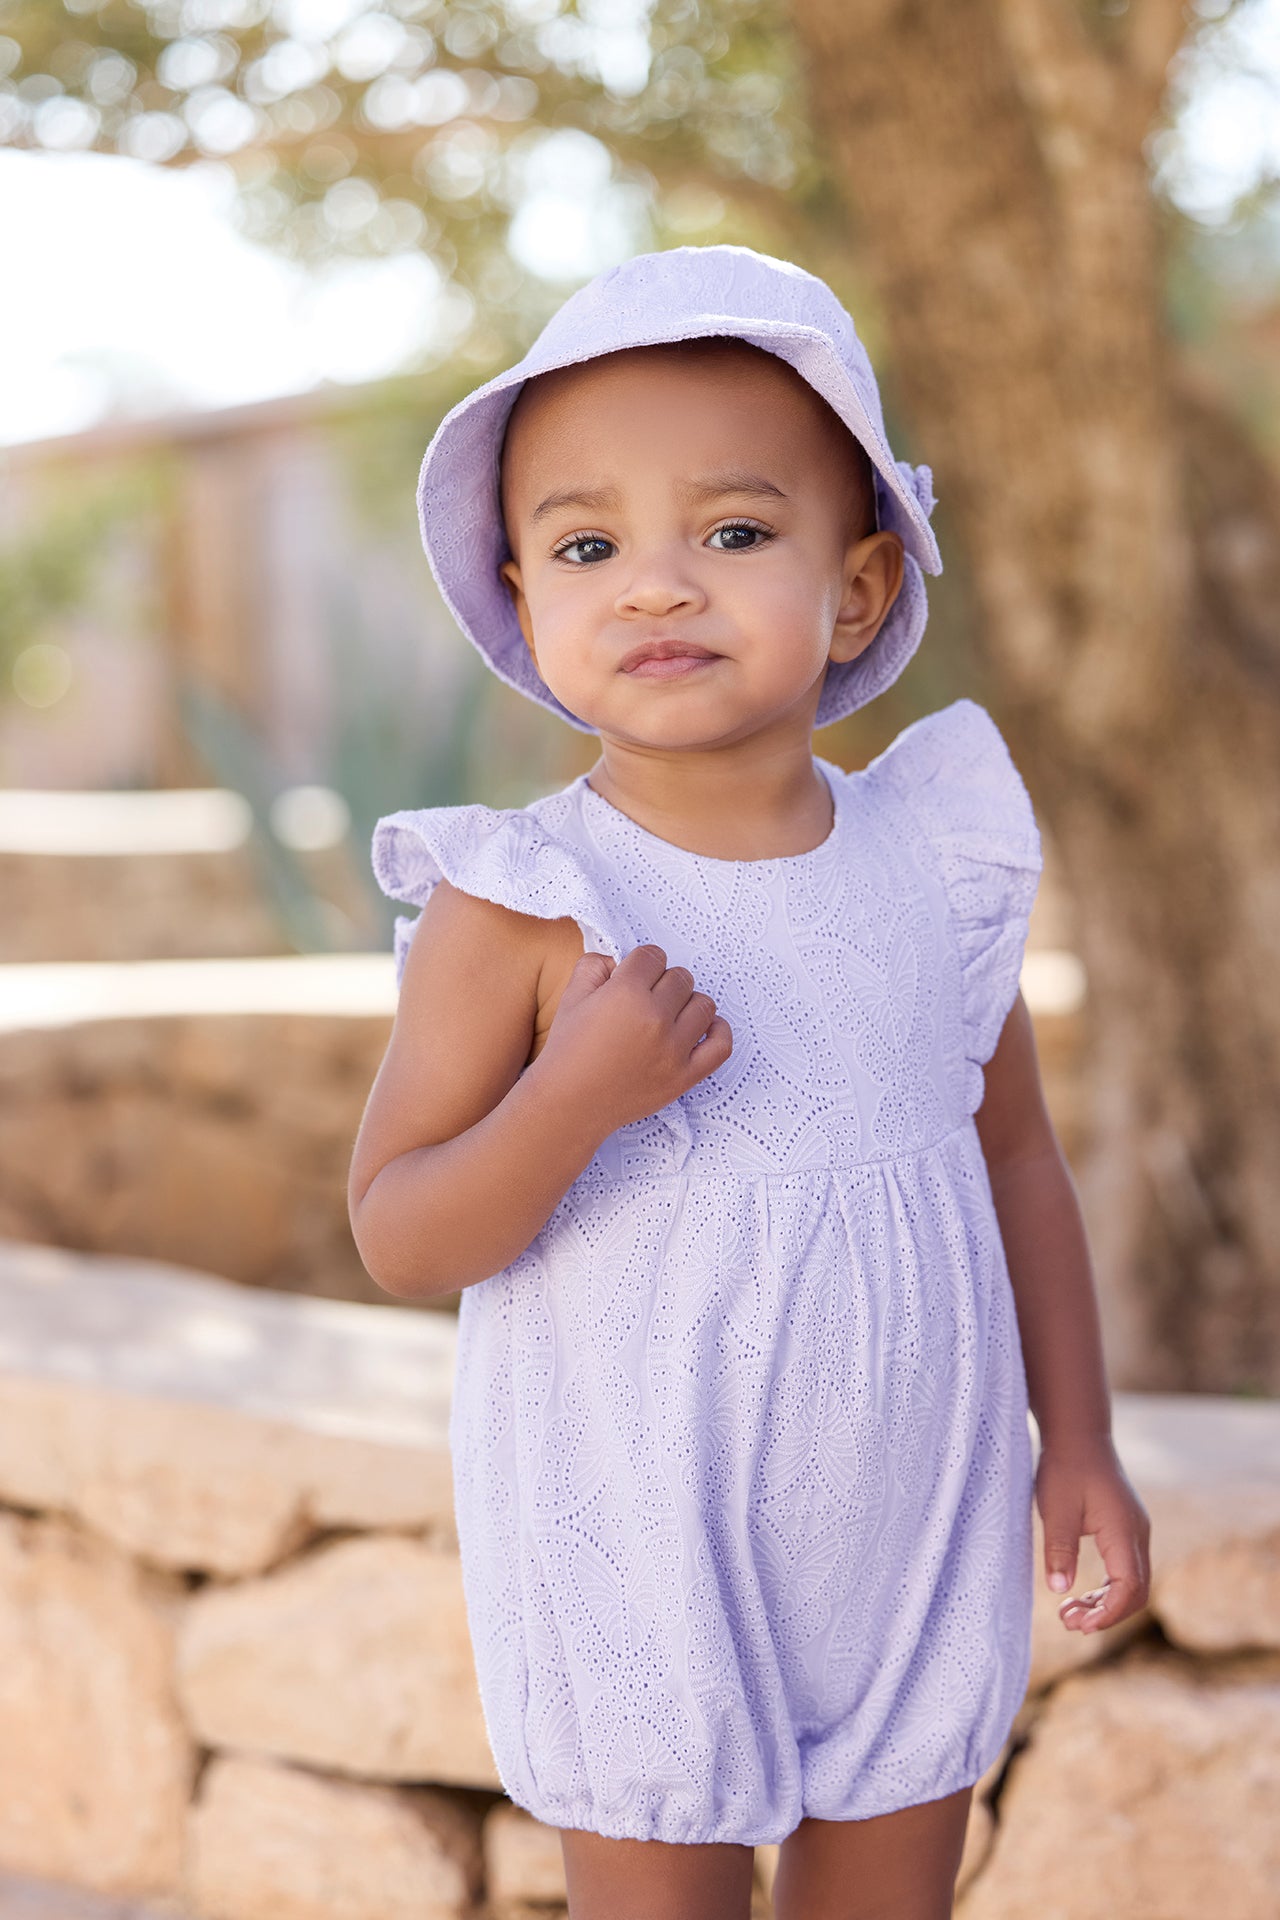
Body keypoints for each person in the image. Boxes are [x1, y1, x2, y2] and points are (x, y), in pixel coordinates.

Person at [348, 245, 1152, 1920]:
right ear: (522, 595)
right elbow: (402, 1234)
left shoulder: (934, 864)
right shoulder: (528, 901)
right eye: (590, 547)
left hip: (912, 1528)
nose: (656, 587)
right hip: (639, 1533)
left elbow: (1015, 1162)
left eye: (730, 533)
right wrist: (572, 1099)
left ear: (856, 590)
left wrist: (1075, 1435)